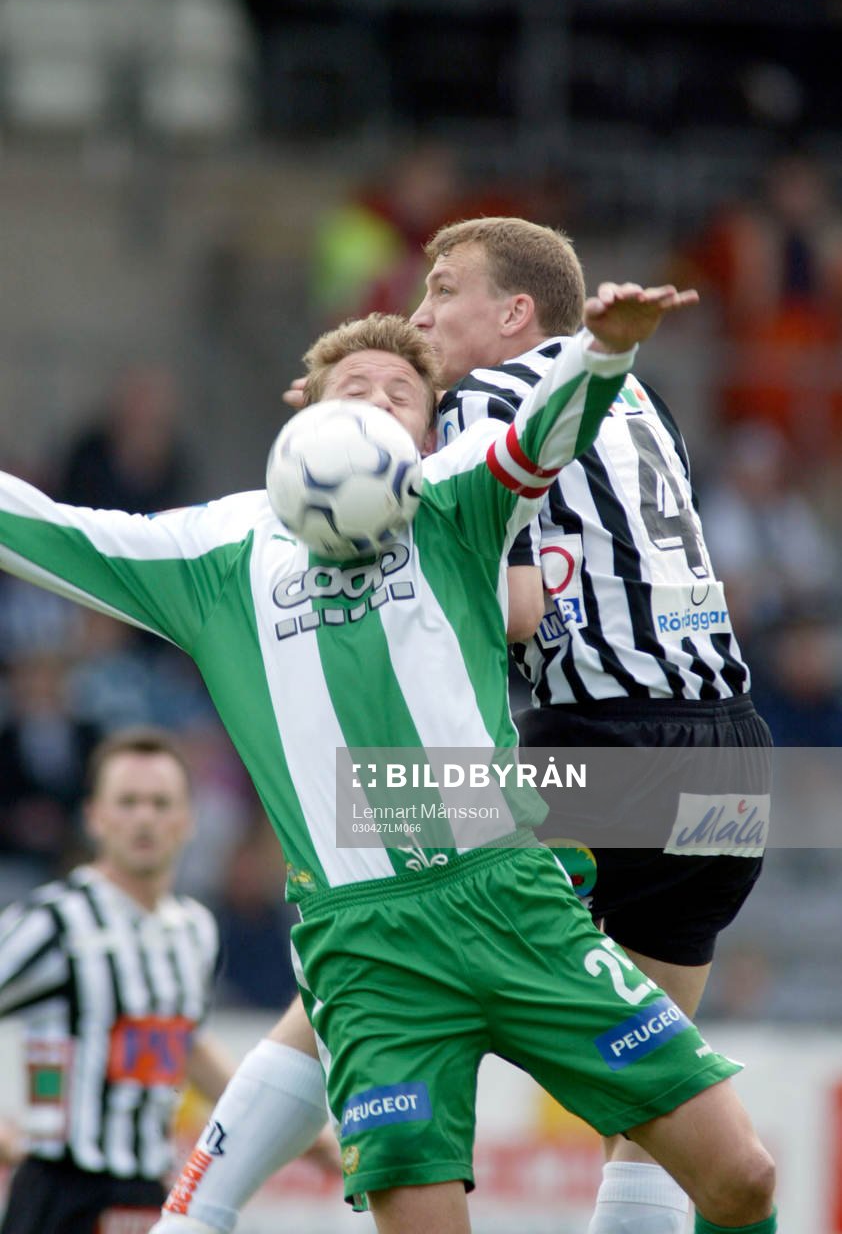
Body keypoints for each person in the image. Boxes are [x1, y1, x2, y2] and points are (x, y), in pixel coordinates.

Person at [0, 301, 776, 1234]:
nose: (374, 404)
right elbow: (44, 528)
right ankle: (196, 1215)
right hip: (370, 953)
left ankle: (195, 1215)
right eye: (351, 390)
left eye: (401, 394)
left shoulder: (457, 501)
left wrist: (607, 350)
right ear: (306, 419)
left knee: (742, 1179)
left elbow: (544, 431)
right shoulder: (215, 551)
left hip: (514, 902)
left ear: (431, 429)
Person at [408, 216, 774, 1234]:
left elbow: (518, 605)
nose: (419, 313)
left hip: (609, 749)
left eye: (442, 291)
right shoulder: (642, 401)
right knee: (654, 1111)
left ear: (514, 313)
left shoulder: (481, 398)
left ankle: (202, 1201)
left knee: (370, 893)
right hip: (731, 761)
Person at [0, 726, 233, 1234]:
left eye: (160, 802)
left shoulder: (196, 930)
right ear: (95, 817)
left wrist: (306, 1135)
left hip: (151, 1190)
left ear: (188, 820)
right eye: (127, 802)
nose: (144, 818)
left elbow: (184, 1038)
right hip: (60, 1192)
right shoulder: (56, 921)